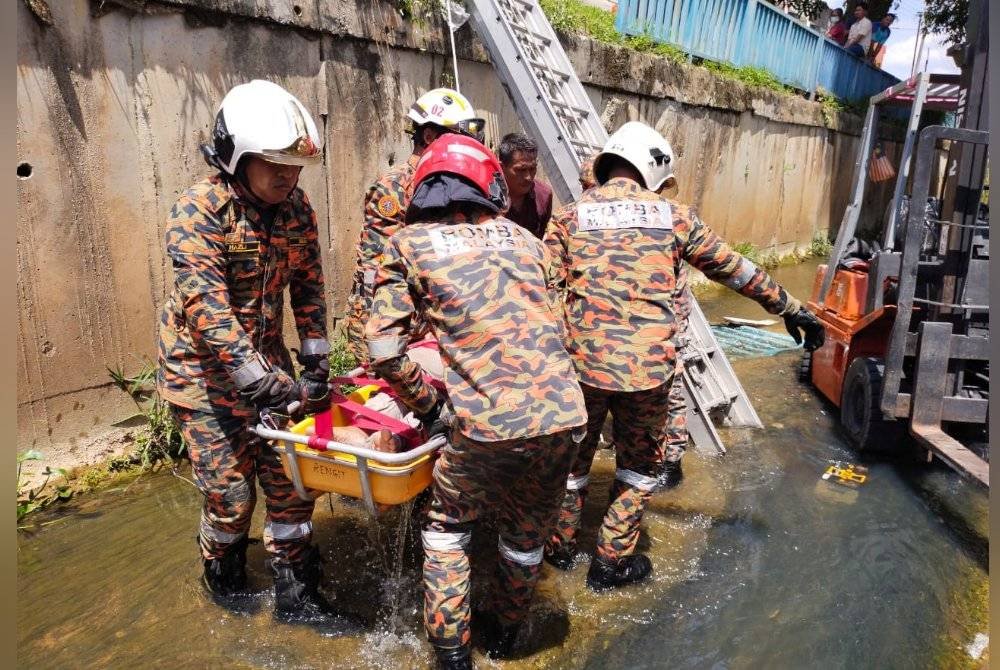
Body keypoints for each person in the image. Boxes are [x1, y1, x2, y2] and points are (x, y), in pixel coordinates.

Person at [542, 121, 825, 591]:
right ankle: (609, 566)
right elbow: (735, 270)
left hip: (581, 368)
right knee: (637, 468)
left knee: (571, 466)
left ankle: (560, 551)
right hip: (648, 373)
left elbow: (541, 290)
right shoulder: (674, 217)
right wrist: (791, 308)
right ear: (653, 171)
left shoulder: (569, 217)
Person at [366, 134, 587, 669]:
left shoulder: (407, 244)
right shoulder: (527, 241)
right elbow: (561, 328)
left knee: (447, 529)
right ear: (491, 186)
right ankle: (506, 638)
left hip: (486, 424)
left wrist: (430, 408)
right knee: (525, 533)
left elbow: (383, 351)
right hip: (564, 415)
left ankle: (452, 656)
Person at [156, 80, 341, 623]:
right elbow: (206, 307)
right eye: (274, 164)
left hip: (267, 361)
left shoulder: (297, 209)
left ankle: (297, 597)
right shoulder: (199, 211)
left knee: (292, 484)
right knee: (232, 497)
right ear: (236, 156)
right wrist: (252, 376)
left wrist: (316, 362)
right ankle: (226, 581)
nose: (288, 176)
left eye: (295, 166)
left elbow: (308, 287)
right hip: (202, 376)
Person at [344, 88, 486, 363]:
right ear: (429, 136)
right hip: (390, 321)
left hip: (427, 319)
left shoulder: (450, 185)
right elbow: (378, 267)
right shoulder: (394, 188)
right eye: (456, 138)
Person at [498, 132, 554, 239]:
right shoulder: (486, 195)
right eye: (521, 170)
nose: (528, 177)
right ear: (502, 167)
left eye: (532, 168)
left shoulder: (544, 194)